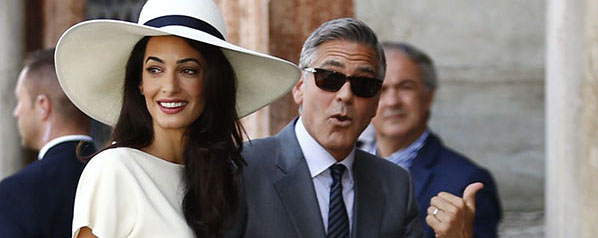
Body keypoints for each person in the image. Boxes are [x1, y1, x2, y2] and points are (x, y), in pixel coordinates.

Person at [54, 0, 300, 237]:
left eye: (188, 70)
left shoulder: (225, 177)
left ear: (212, 82)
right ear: (139, 82)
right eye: (155, 70)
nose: (169, 87)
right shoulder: (115, 169)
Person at [229, 18, 481, 238]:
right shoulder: (241, 168)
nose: (346, 95)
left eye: (363, 84)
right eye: (330, 78)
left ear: (376, 102)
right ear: (299, 88)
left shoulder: (394, 184)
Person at [360, 42, 502, 237]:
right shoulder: (344, 165)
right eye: (381, 90)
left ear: (429, 96)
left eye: (405, 87)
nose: (392, 101)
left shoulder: (465, 181)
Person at [0, 48, 95, 237]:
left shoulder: (16, 192)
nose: (16, 112)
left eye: (20, 101)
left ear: (43, 106)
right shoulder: (116, 174)